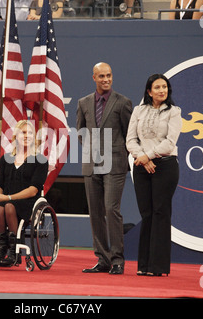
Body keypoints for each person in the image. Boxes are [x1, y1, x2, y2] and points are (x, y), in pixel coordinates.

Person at [77, 62, 132, 275]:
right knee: (96, 213)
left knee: (111, 209)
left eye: (109, 75)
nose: (106, 79)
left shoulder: (123, 102)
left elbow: (129, 135)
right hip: (92, 164)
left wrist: (116, 154)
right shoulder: (83, 103)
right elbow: (81, 131)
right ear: (94, 78)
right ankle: (103, 259)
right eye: (101, 76)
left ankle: (117, 259)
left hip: (115, 164)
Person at [126, 74, 182, 277]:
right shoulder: (138, 111)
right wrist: (141, 157)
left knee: (160, 213)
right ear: (149, 91)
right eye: (157, 87)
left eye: (165, 87)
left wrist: (147, 156)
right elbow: (130, 139)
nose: (162, 91)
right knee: (147, 214)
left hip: (165, 167)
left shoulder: (174, 112)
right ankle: (144, 265)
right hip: (141, 167)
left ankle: (158, 267)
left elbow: (170, 142)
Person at [0, 120, 48, 266]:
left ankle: (15, 251)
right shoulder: (6, 159)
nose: (27, 136)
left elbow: (34, 190)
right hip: (6, 200)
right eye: (24, 132)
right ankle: (1, 250)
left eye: (31, 133)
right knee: (0, 207)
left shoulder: (40, 160)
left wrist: (7, 197)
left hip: (27, 203)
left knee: (7, 206)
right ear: (16, 136)